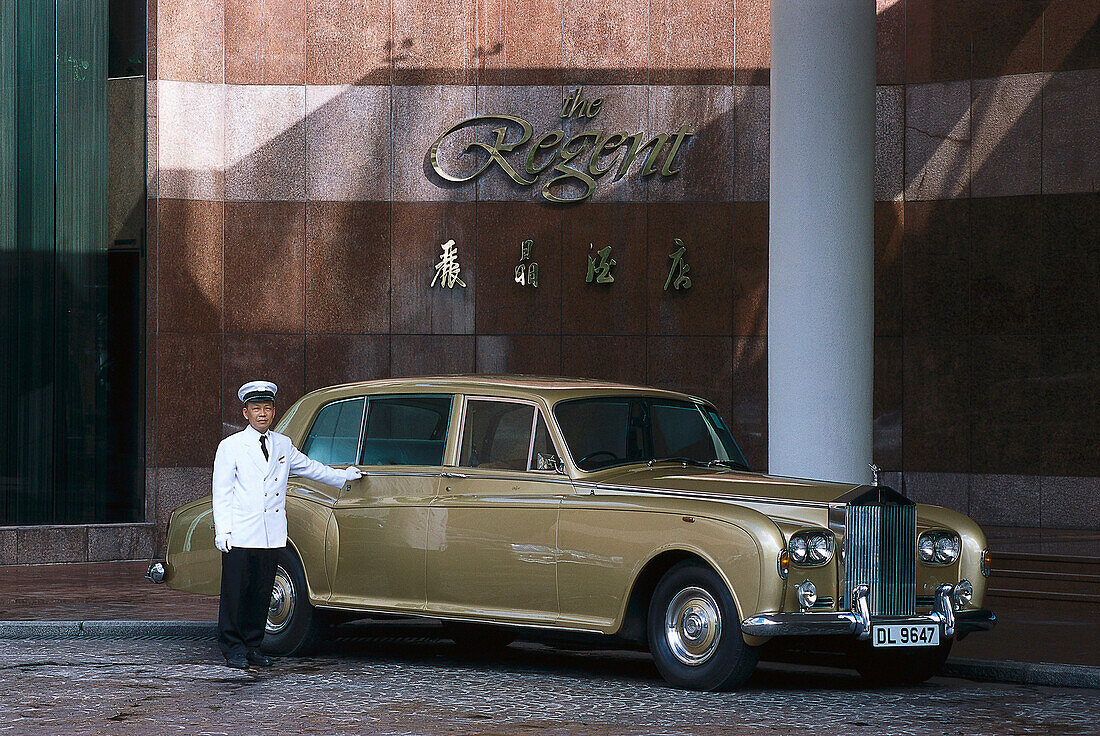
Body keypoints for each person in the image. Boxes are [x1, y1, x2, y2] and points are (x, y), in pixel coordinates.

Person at [212, 380, 362, 669]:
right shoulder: (231, 447)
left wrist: (343, 476)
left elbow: (310, 467)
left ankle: (253, 646)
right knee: (236, 594)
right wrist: (223, 531)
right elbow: (222, 491)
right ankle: (232, 648)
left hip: (271, 534)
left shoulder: (282, 444)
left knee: (260, 592)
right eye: (256, 409)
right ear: (245, 413)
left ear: (273, 411)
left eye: (267, 408)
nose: (262, 414)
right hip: (241, 533)